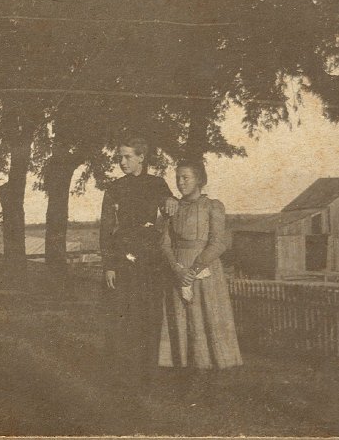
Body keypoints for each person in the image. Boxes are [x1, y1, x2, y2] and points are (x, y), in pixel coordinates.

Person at [99, 137, 178, 385]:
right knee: (123, 316)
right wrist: (109, 265)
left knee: (150, 315)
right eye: (120, 157)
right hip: (122, 257)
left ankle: (148, 374)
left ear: (142, 157)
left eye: (128, 157)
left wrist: (171, 200)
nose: (122, 162)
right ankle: (123, 374)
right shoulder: (114, 188)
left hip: (150, 259)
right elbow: (106, 228)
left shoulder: (157, 184)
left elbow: (170, 206)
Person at [158, 159, 243, 371]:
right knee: (182, 319)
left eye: (185, 177)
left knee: (205, 318)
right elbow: (165, 243)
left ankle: (210, 373)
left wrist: (194, 270)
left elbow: (219, 243)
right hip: (178, 270)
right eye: (178, 178)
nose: (180, 182)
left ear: (199, 180)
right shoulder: (172, 207)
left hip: (205, 270)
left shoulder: (212, 206)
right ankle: (185, 370)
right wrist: (178, 271)